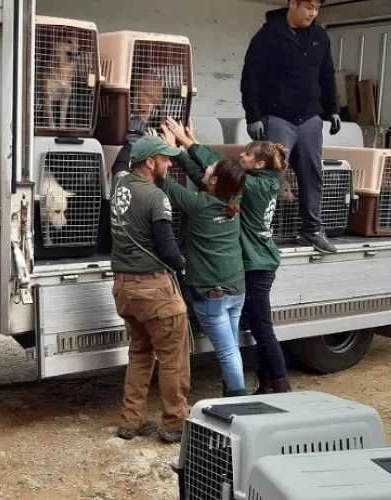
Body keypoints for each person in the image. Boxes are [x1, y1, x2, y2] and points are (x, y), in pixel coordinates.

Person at [166, 119, 294, 394]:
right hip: (256, 261)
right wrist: (183, 152)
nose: (240, 156)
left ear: (259, 164)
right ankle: (263, 381)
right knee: (244, 334)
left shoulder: (251, 186)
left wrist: (187, 144)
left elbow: (217, 169)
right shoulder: (258, 183)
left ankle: (280, 383)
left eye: (247, 155)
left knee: (261, 327)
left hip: (256, 263)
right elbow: (209, 175)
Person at [150, 123, 249, 397]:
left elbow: (166, 183)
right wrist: (185, 145)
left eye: (211, 170)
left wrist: (168, 148)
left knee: (227, 352)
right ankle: (233, 394)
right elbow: (199, 174)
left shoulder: (201, 205)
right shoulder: (234, 198)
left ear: (215, 182)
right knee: (232, 348)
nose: (206, 169)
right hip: (235, 288)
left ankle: (239, 402)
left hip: (212, 293)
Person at [108, 134, 189, 444]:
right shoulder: (156, 198)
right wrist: (182, 263)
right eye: (166, 158)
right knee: (173, 359)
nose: (170, 163)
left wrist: (130, 137)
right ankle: (174, 424)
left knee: (140, 354)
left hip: (124, 289)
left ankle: (131, 421)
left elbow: (118, 164)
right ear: (150, 163)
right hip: (155, 290)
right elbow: (168, 250)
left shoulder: (120, 185)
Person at [241, 0, 339, 254]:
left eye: (317, 8)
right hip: (278, 117)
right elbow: (250, 77)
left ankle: (312, 230)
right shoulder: (268, 35)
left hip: (309, 118)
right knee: (271, 176)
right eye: (308, 7)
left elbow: (327, 74)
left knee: (312, 174)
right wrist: (253, 115)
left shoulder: (320, 36)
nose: (313, 13)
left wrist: (333, 110)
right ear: (292, 3)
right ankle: (260, 232)